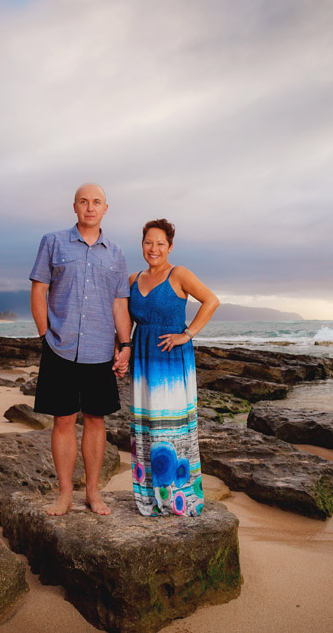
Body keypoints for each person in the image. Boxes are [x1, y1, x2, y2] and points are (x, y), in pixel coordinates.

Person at [29, 183, 132, 516]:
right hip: (60, 346)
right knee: (62, 420)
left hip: (100, 349)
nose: (90, 207)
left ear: (105, 208)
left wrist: (125, 344)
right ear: (74, 206)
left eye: (96, 202)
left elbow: (119, 304)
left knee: (95, 420)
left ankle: (92, 493)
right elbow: (39, 290)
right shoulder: (53, 242)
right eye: (84, 201)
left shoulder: (116, 253)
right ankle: (64, 495)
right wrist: (45, 335)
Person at [127, 219, 219, 516]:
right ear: (142, 244)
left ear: (170, 247)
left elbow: (211, 300)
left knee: (172, 427)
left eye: (160, 243)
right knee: (147, 425)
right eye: (148, 242)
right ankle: (151, 495)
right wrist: (122, 349)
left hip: (171, 362)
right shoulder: (133, 279)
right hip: (143, 360)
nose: (153, 248)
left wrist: (187, 334)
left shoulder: (178, 274)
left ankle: (177, 496)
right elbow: (125, 319)